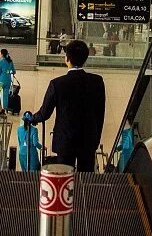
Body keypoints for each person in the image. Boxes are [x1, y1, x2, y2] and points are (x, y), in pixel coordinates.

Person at [26, 40, 105, 172]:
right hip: (88, 139)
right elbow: (100, 113)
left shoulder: (57, 84)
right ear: (85, 58)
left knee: (64, 177)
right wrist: (96, 138)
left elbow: (44, 113)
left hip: (65, 141)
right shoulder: (97, 82)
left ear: (67, 58)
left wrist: (32, 119)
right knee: (85, 176)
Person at [0, 48, 16, 113]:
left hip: (0, 81)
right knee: (5, 96)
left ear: (2, 54)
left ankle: (0, 108)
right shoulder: (10, 61)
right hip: (8, 81)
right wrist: (8, 71)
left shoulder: (0, 62)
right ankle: (5, 109)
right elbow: (14, 71)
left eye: (0, 53)